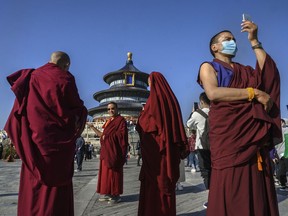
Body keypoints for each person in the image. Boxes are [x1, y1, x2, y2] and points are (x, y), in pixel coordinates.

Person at [197, 19, 282, 216]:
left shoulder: (245, 70)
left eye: (234, 40)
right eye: (227, 39)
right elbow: (213, 93)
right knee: (231, 183)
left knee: (255, 183)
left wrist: (254, 40)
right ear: (215, 47)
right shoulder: (209, 67)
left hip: (251, 135)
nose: (233, 42)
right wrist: (253, 93)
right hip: (229, 137)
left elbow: (269, 74)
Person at [4, 51, 87, 216]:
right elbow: (76, 110)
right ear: (66, 65)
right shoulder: (65, 78)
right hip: (58, 150)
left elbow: (20, 113)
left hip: (34, 145)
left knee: (33, 188)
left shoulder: (31, 77)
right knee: (56, 196)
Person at [136, 72, 189, 216]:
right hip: (168, 152)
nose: (149, 87)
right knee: (166, 185)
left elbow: (147, 125)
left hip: (156, 154)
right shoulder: (172, 100)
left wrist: (140, 117)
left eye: (149, 84)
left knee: (155, 186)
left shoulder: (153, 102)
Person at [87, 102, 128, 204]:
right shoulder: (109, 121)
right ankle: (108, 192)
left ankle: (116, 195)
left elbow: (122, 135)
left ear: (117, 109)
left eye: (113, 108)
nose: (110, 111)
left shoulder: (121, 121)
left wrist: (109, 137)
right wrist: (92, 127)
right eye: (108, 109)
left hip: (115, 152)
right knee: (106, 174)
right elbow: (102, 135)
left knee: (114, 174)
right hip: (106, 151)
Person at [186, 92, 211, 208]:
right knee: (215, 171)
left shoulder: (197, 114)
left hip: (202, 147)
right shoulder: (216, 112)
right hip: (215, 147)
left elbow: (188, 124)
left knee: (206, 172)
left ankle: (210, 198)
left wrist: (192, 113)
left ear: (201, 102)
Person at [275, 119, 288, 191]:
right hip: (283, 153)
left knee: (283, 169)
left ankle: (283, 184)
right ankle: (283, 184)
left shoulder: (283, 130)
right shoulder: (280, 131)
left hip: (284, 153)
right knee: (282, 170)